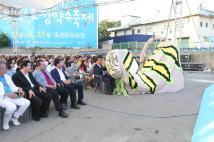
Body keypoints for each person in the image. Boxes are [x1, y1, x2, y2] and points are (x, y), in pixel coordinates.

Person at [0, 61, 30, 130]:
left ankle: (15, 117)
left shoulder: (7, 76)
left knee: (26, 102)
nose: (5, 69)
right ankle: (5, 122)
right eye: (2, 68)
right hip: (2, 97)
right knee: (12, 107)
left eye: (5, 68)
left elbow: (12, 86)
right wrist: (7, 94)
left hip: (11, 94)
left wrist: (19, 89)